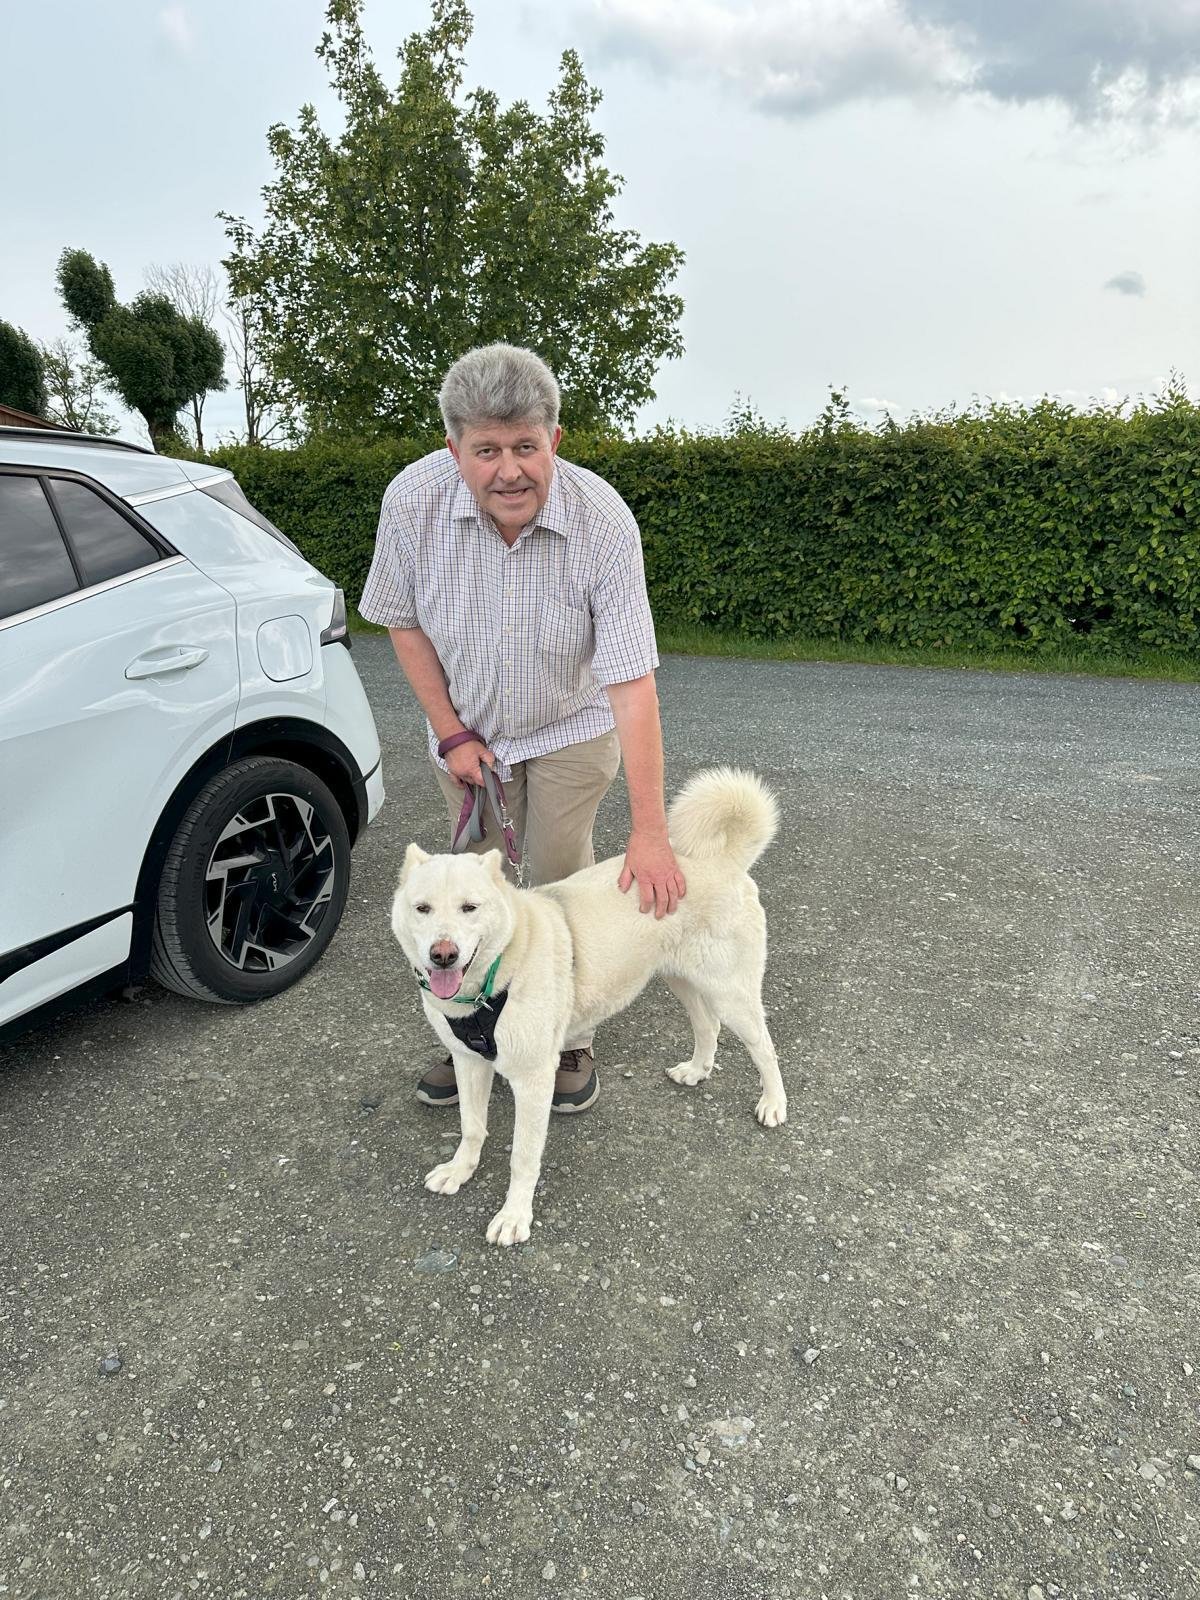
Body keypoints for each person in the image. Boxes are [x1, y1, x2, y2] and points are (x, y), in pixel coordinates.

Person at [359, 342, 685, 1114]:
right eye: (487, 450)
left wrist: (651, 832)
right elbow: (403, 625)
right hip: (467, 736)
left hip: (571, 728)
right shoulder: (411, 503)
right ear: (454, 449)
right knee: (464, 887)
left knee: (558, 876)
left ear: (555, 441)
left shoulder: (603, 520)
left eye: (526, 447)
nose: (510, 470)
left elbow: (632, 685)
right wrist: (449, 732)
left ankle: (567, 1035)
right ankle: (475, 1030)